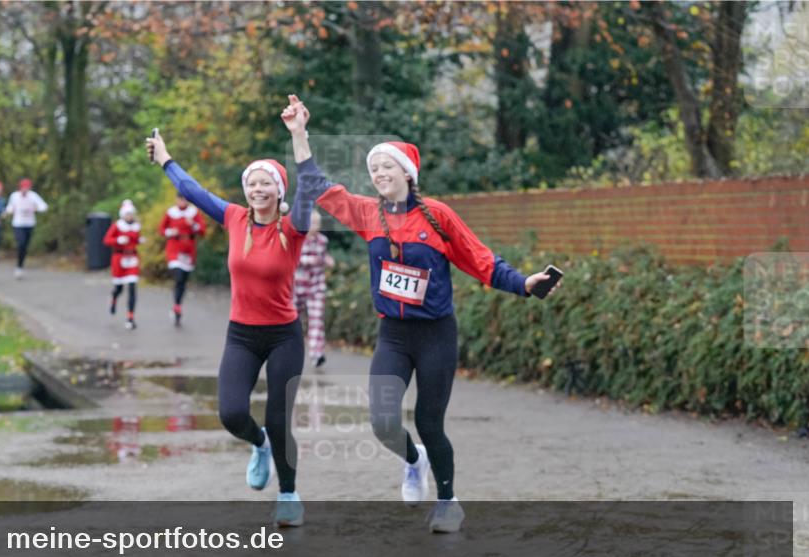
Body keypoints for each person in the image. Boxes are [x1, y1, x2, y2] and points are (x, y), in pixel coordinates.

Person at [284, 94, 560, 533]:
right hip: (393, 334)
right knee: (383, 421)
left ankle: (448, 502)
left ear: (407, 174)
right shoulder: (366, 213)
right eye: (374, 170)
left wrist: (524, 284)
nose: (379, 175)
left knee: (431, 422)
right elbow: (316, 183)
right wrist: (300, 133)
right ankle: (414, 463)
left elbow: (481, 260)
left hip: (435, 334)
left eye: (386, 168)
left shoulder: (437, 216)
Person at [145, 130, 309, 527]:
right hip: (242, 334)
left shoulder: (293, 228)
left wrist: (299, 135)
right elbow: (193, 190)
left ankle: (288, 495)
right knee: (231, 413)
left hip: (284, 335)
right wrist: (166, 158)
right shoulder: (235, 218)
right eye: (251, 182)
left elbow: (312, 184)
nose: (257, 188)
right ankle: (260, 445)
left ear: (279, 190)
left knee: (278, 417)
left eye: (265, 182)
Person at [293, 210, 335, 368]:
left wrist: (327, 259)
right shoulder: (297, 239)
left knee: (316, 321)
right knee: (292, 321)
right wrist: (318, 260)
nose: (315, 226)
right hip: (296, 288)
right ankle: (291, 350)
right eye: (311, 223)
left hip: (316, 287)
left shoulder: (322, 240)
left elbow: (324, 256)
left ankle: (317, 355)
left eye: (317, 223)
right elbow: (295, 260)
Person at [159, 194, 207, 326]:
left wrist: (194, 225)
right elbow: (161, 229)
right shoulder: (170, 213)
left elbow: (203, 231)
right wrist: (170, 232)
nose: (182, 201)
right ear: (176, 200)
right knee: (178, 276)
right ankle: (176, 306)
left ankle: (177, 305)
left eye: (184, 199)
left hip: (188, 250)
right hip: (174, 248)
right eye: (180, 199)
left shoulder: (193, 213)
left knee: (183, 280)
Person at [103, 199, 143, 330]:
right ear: (123, 215)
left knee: (132, 287)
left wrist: (140, 240)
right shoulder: (117, 225)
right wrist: (118, 240)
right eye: (127, 214)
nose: (130, 216)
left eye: (131, 214)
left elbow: (136, 239)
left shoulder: (137, 226)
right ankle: (113, 298)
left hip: (132, 258)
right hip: (119, 259)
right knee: (119, 288)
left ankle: (130, 318)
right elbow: (107, 240)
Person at [4, 177, 48, 279]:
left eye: (27, 188)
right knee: (21, 243)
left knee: (25, 247)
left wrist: (36, 208)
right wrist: (8, 211)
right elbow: (10, 207)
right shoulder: (14, 196)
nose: (25, 190)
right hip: (18, 224)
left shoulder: (33, 196)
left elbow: (44, 206)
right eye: (23, 187)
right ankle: (18, 268)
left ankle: (20, 266)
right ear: (20, 187)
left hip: (29, 224)